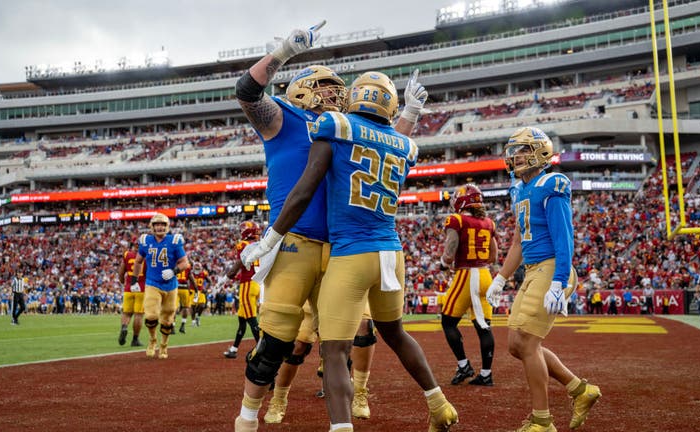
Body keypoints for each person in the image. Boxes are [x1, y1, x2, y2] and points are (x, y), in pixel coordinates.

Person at [230, 21, 427, 432]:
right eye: (322, 84)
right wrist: (282, 53)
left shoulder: (348, 125)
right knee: (277, 344)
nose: (333, 92)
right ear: (300, 88)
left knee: (351, 336)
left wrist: (408, 114)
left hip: (343, 249)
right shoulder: (283, 118)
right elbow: (247, 92)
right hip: (295, 244)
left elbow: (388, 147)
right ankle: (248, 417)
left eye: (337, 86)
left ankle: (350, 407)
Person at [485, 126, 601, 431]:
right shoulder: (519, 189)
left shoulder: (551, 183)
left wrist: (559, 282)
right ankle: (580, 390)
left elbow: (565, 238)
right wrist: (500, 278)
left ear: (540, 151)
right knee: (516, 344)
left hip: (552, 268)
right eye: (514, 152)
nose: (516, 157)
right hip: (533, 269)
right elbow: (517, 242)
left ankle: (542, 420)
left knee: (526, 343)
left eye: (522, 150)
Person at [438, 184, 498, 387]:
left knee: (448, 321)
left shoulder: (457, 219)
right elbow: (493, 254)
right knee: (484, 326)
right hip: (485, 275)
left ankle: (464, 366)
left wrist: (444, 263)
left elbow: (451, 247)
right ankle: (486, 373)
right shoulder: (489, 222)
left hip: (467, 274)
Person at [131, 213, 190, 359]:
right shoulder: (145, 241)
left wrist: (174, 271)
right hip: (152, 283)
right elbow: (138, 261)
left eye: (162, 224)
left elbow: (185, 262)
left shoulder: (174, 241)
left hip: (170, 285)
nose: (160, 227)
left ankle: (164, 344)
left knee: (168, 318)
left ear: (167, 226)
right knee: (151, 315)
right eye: (157, 224)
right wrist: (134, 280)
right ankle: (152, 340)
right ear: (152, 226)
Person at [224, 221, 262, 359]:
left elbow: (240, 261)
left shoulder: (244, 244)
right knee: (242, 319)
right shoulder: (259, 244)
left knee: (252, 319)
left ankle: (261, 350)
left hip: (247, 284)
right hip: (256, 283)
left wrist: (231, 273)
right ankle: (234, 348)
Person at [118, 240, 146, 346]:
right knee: (139, 315)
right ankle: (135, 339)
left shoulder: (127, 254)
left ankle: (124, 327)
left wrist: (123, 282)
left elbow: (121, 272)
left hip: (129, 288)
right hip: (141, 289)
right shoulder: (146, 256)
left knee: (126, 313)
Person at [175, 259, 195, 334]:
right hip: (184, 288)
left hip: (176, 287)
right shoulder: (187, 266)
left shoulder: (174, 263)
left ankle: (172, 326)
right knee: (185, 307)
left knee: (174, 307)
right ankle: (182, 326)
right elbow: (191, 279)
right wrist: (195, 289)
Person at [191, 262, 210, 326]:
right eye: (195, 267)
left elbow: (209, 281)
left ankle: (198, 317)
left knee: (202, 305)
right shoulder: (191, 273)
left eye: (198, 267)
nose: (196, 269)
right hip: (193, 291)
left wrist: (206, 288)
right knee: (193, 307)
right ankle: (193, 321)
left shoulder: (203, 273)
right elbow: (187, 280)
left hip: (201, 291)